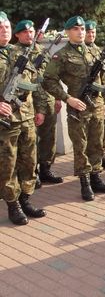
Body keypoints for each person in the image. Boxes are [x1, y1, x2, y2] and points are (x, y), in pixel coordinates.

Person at [43, 16, 105, 201]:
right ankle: (85, 183)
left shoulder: (95, 51)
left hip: (98, 106)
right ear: (68, 32)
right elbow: (48, 80)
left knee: (97, 143)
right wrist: (68, 99)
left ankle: (96, 178)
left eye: (82, 28)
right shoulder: (62, 55)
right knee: (81, 146)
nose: (81, 31)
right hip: (78, 108)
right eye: (76, 29)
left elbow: (104, 78)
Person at [0, 15, 47, 225]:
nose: (4, 30)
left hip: (26, 115)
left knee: (29, 161)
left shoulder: (19, 52)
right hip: (5, 119)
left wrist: (39, 109)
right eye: (0, 27)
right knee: (8, 164)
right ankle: (13, 205)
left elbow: (33, 81)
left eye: (7, 26)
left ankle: (25, 198)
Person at [13, 20, 64, 186]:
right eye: (25, 32)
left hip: (48, 99)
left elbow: (52, 77)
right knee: (30, 141)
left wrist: (57, 98)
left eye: (31, 31)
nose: (29, 34)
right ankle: (31, 173)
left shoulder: (43, 51)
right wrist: (38, 109)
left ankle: (46, 169)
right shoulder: (16, 53)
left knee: (49, 137)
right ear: (18, 35)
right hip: (29, 103)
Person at [84, 20, 105, 170]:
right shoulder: (80, 51)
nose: (91, 35)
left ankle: (101, 156)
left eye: (93, 32)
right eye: (89, 32)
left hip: (100, 100)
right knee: (88, 138)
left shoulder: (99, 51)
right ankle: (90, 168)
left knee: (102, 131)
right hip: (84, 102)